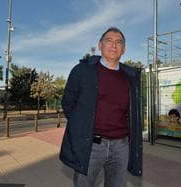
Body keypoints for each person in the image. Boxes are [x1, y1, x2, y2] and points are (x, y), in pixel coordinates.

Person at [60, 27, 142, 187]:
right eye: (109, 41)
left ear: (123, 49)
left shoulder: (131, 77)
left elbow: (133, 112)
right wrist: (81, 128)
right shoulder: (82, 71)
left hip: (121, 146)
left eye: (119, 42)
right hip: (91, 145)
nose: (114, 45)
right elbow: (68, 103)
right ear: (100, 45)